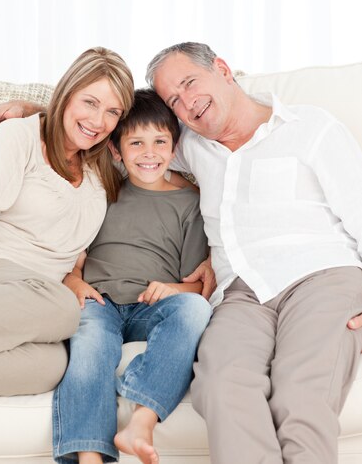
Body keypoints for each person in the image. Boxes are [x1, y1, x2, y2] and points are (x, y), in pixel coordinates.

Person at [145, 42, 362, 464]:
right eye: (174, 100)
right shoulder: (187, 145)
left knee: (300, 395)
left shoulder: (310, 127)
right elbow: (112, 138)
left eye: (190, 82)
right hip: (239, 296)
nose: (187, 103)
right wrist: (30, 111)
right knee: (222, 385)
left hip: (322, 276)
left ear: (223, 70)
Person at [0, 47, 134, 395]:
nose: (97, 121)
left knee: (48, 368)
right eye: (89, 102)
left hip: (35, 298)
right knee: (65, 309)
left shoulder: (104, 164)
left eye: (112, 112)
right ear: (66, 93)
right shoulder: (19, 136)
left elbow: (165, 152)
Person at [53, 88, 212, 464]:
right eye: (136, 143)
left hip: (151, 305)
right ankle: (89, 456)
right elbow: (73, 258)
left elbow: (197, 286)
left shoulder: (190, 203)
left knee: (193, 310)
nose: (149, 153)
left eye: (160, 142)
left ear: (175, 148)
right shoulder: (102, 189)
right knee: (91, 344)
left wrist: (173, 289)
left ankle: (142, 420)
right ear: (116, 150)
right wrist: (74, 281)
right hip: (100, 300)